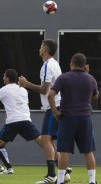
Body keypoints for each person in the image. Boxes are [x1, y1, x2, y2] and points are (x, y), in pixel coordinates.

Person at [18, 39, 71, 183]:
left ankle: (51, 175)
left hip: (54, 105)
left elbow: (44, 89)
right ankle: (64, 172)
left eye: (41, 46)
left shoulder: (48, 65)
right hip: (58, 105)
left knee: (46, 140)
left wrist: (26, 83)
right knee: (51, 141)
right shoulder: (53, 64)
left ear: (45, 49)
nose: (39, 49)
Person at [0, 69, 43, 175]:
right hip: (26, 120)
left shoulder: (2, 90)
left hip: (13, 122)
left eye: (4, 76)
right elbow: (22, 104)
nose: (3, 78)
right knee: (44, 144)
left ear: (7, 78)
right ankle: (60, 162)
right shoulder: (23, 90)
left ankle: (9, 168)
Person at [48, 53, 99, 184]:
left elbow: (50, 95)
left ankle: (60, 181)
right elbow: (95, 97)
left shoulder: (64, 78)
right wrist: (87, 75)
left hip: (67, 117)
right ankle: (92, 181)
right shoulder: (90, 79)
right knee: (88, 151)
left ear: (71, 63)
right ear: (85, 65)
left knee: (64, 151)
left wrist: (55, 113)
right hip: (85, 117)